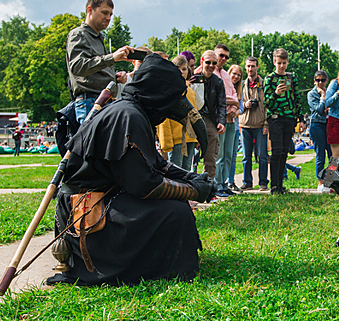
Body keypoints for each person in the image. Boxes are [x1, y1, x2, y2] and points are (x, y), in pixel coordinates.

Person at [46, 53, 216, 287]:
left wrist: (189, 177)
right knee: (174, 212)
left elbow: (155, 163)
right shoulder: (128, 116)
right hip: (87, 210)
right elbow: (146, 185)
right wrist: (194, 191)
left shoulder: (132, 112)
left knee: (175, 208)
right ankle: (161, 267)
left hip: (102, 198)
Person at [66, 0, 134, 124]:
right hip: (90, 102)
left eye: (110, 15)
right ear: (89, 10)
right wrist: (112, 58)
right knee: (95, 144)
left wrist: (115, 78)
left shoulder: (98, 38)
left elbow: (94, 72)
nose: (108, 18)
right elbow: (77, 67)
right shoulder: (79, 34)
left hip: (105, 100)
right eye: (104, 13)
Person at [264, 48, 304, 194]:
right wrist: (276, 93)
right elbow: (267, 103)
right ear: (274, 62)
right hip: (275, 119)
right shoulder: (269, 79)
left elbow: (297, 99)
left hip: (289, 119)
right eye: (279, 63)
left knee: (284, 152)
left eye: (284, 63)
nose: (281, 66)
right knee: (276, 151)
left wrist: (300, 119)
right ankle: (274, 186)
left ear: (287, 62)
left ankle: (280, 185)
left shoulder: (292, 78)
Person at [194, 50, 227, 179]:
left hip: (210, 119)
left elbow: (221, 104)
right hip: (193, 118)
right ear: (202, 62)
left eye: (214, 63)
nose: (211, 65)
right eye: (208, 62)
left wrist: (221, 122)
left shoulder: (218, 82)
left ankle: (209, 188)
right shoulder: (193, 77)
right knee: (192, 157)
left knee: (211, 157)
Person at [156, 55, 193, 168]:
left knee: (187, 170)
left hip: (190, 137)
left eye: (184, 69)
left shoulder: (190, 91)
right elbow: (164, 119)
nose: (182, 72)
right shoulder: (167, 90)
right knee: (177, 171)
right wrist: (166, 142)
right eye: (178, 69)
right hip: (176, 140)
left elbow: (194, 115)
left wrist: (197, 137)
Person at [213, 45, 239, 197]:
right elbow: (219, 96)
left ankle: (224, 183)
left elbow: (234, 94)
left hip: (231, 118)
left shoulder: (226, 75)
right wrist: (234, 103)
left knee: (228, 154)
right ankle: (216, 185)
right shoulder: (211, 73)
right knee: (219, 154)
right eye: (221, 55)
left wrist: (235, 108)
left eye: (226, 57)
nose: (223, 59)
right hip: (219, 118)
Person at [240, 57, 269, 191]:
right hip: (245, 124)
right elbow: (236, 101)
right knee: (246, 156)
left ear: (257, 67)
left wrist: (266, 124)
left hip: (260, 125)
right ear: (245, 67)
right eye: (248, 66)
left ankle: (263, 182)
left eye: (253, 66)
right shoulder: (241, 84)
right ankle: (247, 182)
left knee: (262, 155)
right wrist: (245, 105)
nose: (250, 69)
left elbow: (267, 106)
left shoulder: (264, 84)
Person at [307, 70, 332, 193]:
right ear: (314, 81)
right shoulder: (311, 94)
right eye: (318, 80)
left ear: (326, 80)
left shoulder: (331, 92)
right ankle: (321, 183)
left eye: (323, 80)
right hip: (317, 125)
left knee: (333, 156)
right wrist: (322, 97)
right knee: (320, 155)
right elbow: (319, 109)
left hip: (330, 125)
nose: (320, 82)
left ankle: (330, 180)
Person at [227, 64, 244, 193]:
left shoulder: (239, 90)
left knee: (233, 155)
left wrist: (235, 112)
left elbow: (242, 108)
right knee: (223, 155)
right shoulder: (224, 85)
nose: (236, 77)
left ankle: (231, 180)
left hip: (234, 123)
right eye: (234, 73)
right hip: (225, 122)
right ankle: (222, 182)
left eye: (238, 75)